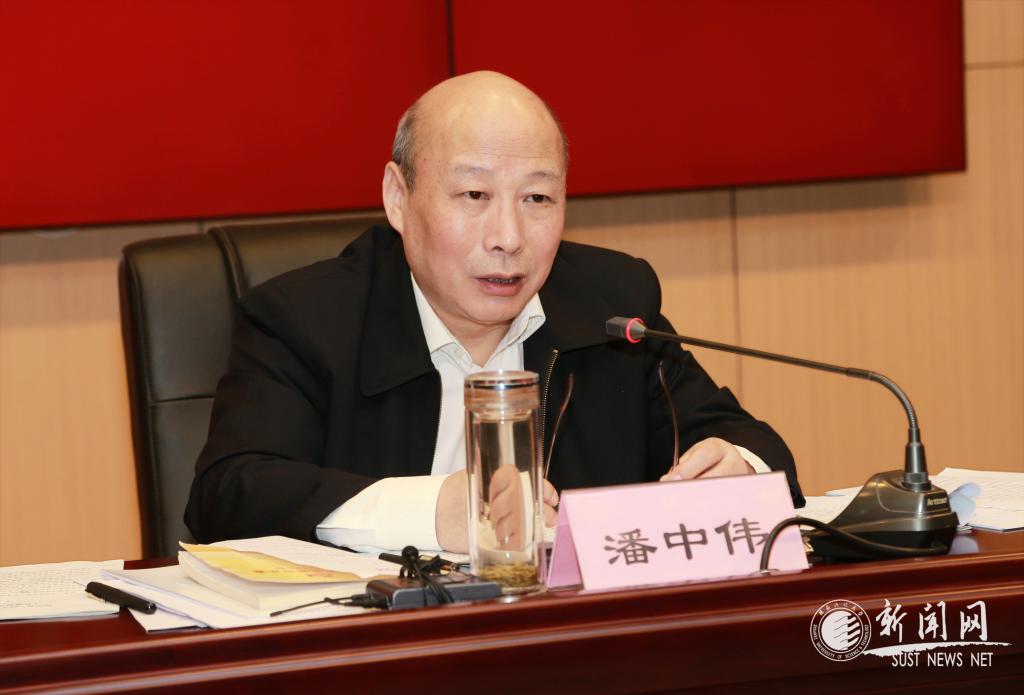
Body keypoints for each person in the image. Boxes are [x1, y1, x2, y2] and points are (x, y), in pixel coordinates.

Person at [185, 71, 803, 553]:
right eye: (474, 194)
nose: (508, 237)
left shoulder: (610, 304)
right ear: (399, 198)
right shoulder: (304, 319)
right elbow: (230, 494)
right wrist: (438, 512)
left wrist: (738, 470)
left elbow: (750, 444)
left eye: (538, 198)